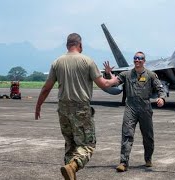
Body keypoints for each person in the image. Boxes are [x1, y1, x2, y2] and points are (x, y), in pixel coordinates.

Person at [34, 33, 119, 180]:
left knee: (70, 144)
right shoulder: (87, 61)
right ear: (80, 45)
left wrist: (38, 105)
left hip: (63, 109)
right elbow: (104, 84)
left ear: (67, 45)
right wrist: (114, 79)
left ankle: (70, 173)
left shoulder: (57, 62)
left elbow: (46, 88)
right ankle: (73, 167)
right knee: (88, 144)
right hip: (81, 108)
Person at [104, 51, 166, 172]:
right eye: (135, 58)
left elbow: (160, 88)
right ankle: (123, 162)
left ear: (144, 61)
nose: (137, 60)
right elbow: (113, 83)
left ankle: (148, 158)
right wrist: (107, 74)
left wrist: (161, 98)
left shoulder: (151, 75)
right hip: (130, 107)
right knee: (127, 133)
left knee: (148, 136)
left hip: (145, 107)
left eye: (140, 58)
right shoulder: (126, 74)